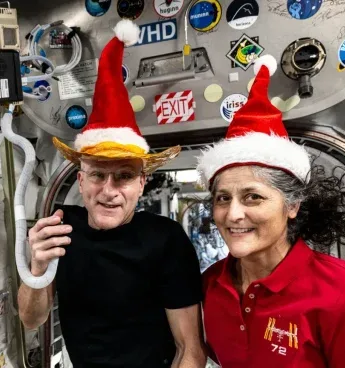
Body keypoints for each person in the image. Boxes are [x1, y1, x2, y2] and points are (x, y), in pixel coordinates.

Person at [18, 20, 206, 368]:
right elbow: (32, 320)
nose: (109, 191)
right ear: (80, 178)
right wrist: (37, 266)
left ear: (141, 184)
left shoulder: (166, 241)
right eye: (97, 175)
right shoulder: (61, 230)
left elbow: (190, 350)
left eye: (123, 177)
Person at [195, 54, 345, 367]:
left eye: (252, 197)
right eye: (223, 198)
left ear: (292, 205)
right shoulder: (209, 287)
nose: (232, 214)